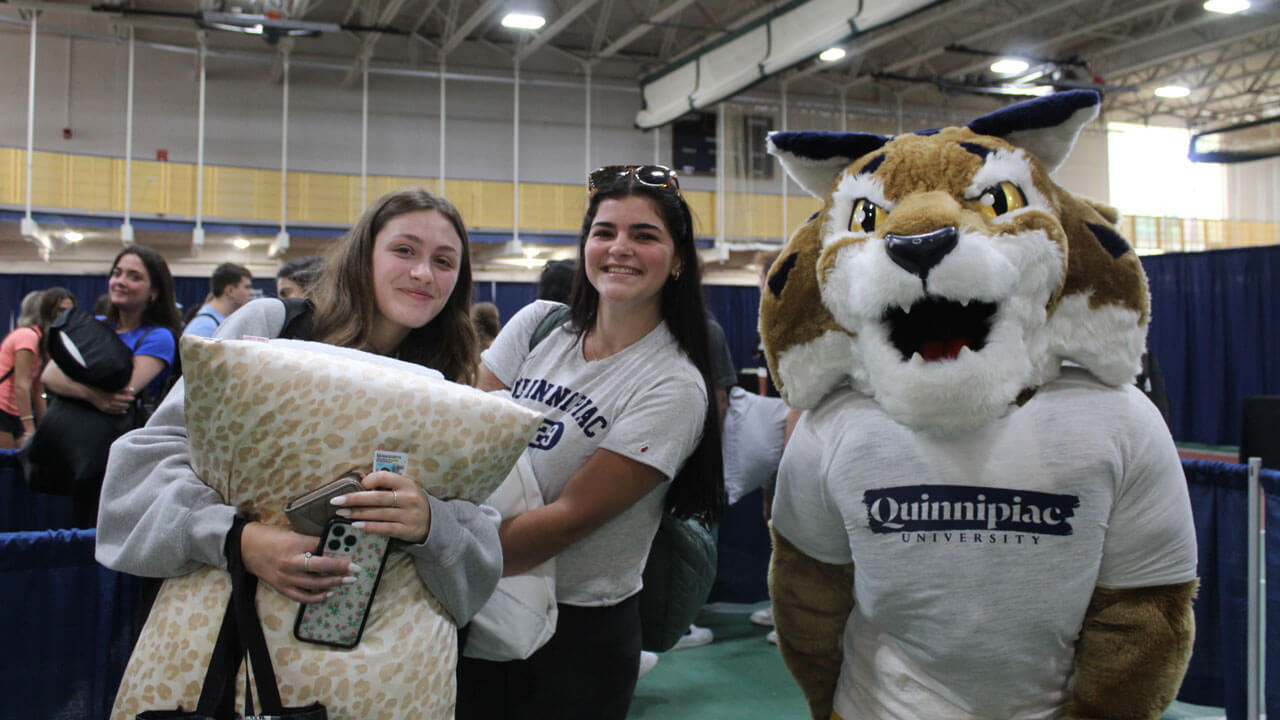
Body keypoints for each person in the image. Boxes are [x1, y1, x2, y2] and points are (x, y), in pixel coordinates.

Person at [96, 188, 499, 693]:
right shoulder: (272, 329)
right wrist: (237, 540)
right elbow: (144, 466)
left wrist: (430, 524)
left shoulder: (448, 387)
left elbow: (480, 556)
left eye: (444, 261)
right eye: (405, 250)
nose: (424, 273)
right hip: (230, 652)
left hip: (375, 679)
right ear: (364, 255)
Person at [458, 164, 723, 719]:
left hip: (576, 636)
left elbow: (569, 519)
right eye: (605, 232)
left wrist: (440, 550)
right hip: (479, 603)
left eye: (644, 235)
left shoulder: (672, 384)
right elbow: (465, 444)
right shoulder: (538, 327)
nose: (619, 248)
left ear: (677, 261)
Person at [43, 246, 181, 527]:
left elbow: (123, 392)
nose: (120, 281)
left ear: (154, 291)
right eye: (116, 273)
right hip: (70, 449)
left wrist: (77, 383)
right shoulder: (93, 324)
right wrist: (92, 395)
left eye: (133, 276)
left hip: (117, 458)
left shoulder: (158, 337)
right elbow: (49, 374)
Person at [0, 287, 75, 449]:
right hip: (3, 406)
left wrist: (42, 426)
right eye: (60, 311)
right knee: (5, 463)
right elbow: (21, 384)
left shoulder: (42, 341)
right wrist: (30, 428)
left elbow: (38, 389)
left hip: (16, 410)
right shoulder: (27, 336)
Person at [183, 263, 254, 338]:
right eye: (247, 287)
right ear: (230, 291)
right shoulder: (204, 326)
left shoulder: (221, 322)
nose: (251, 293)